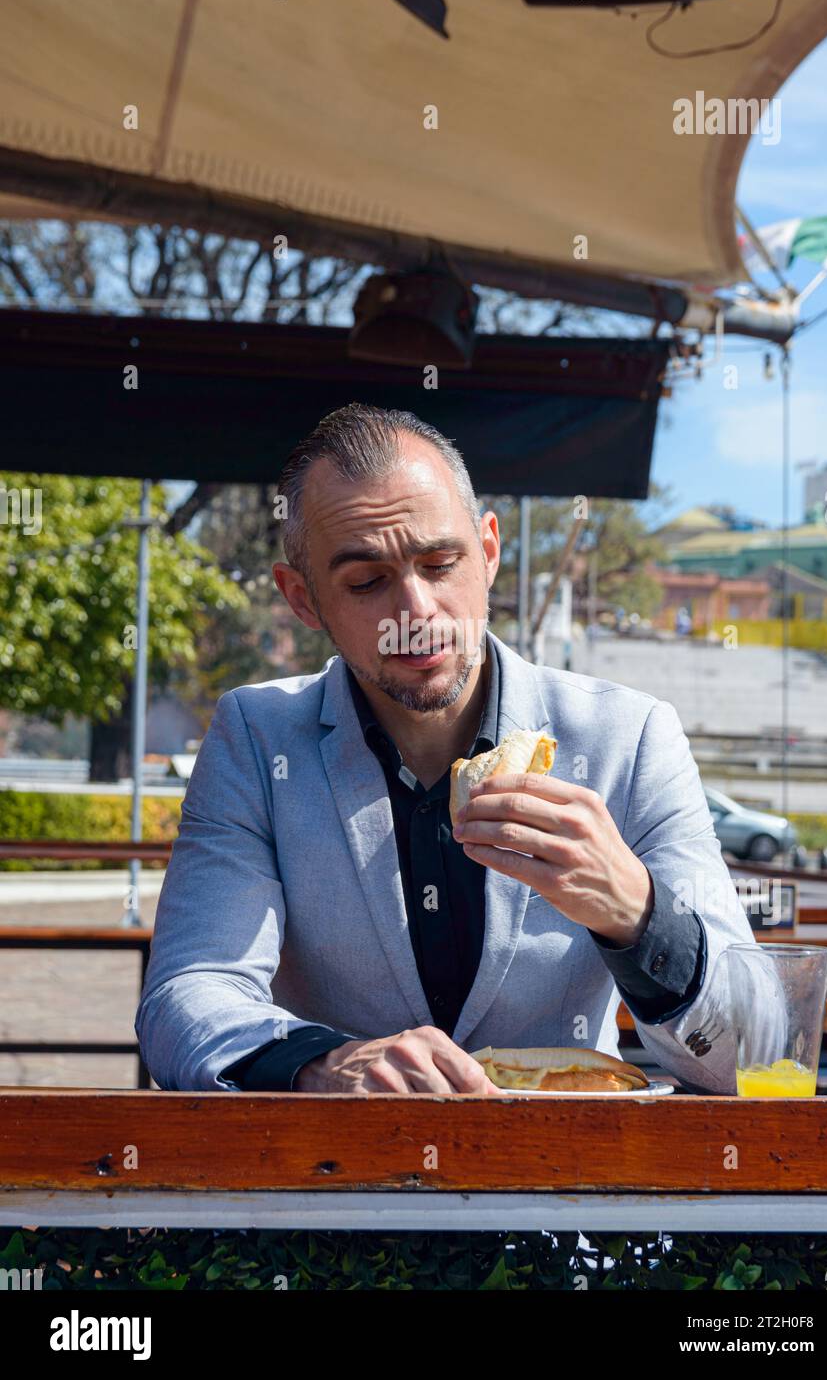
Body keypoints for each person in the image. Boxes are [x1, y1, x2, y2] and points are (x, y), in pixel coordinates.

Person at [135, 404, 777, 1095]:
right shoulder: (257, 740)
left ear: (490, 552)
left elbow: (755, 1053)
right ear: (303, 599)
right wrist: (321, 1064)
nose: (417, 611)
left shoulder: (631, 739)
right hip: (336, 1187)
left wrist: (638, 915)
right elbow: (185, 998)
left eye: (441, 563)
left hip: (562, 1184)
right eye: (366, 582)